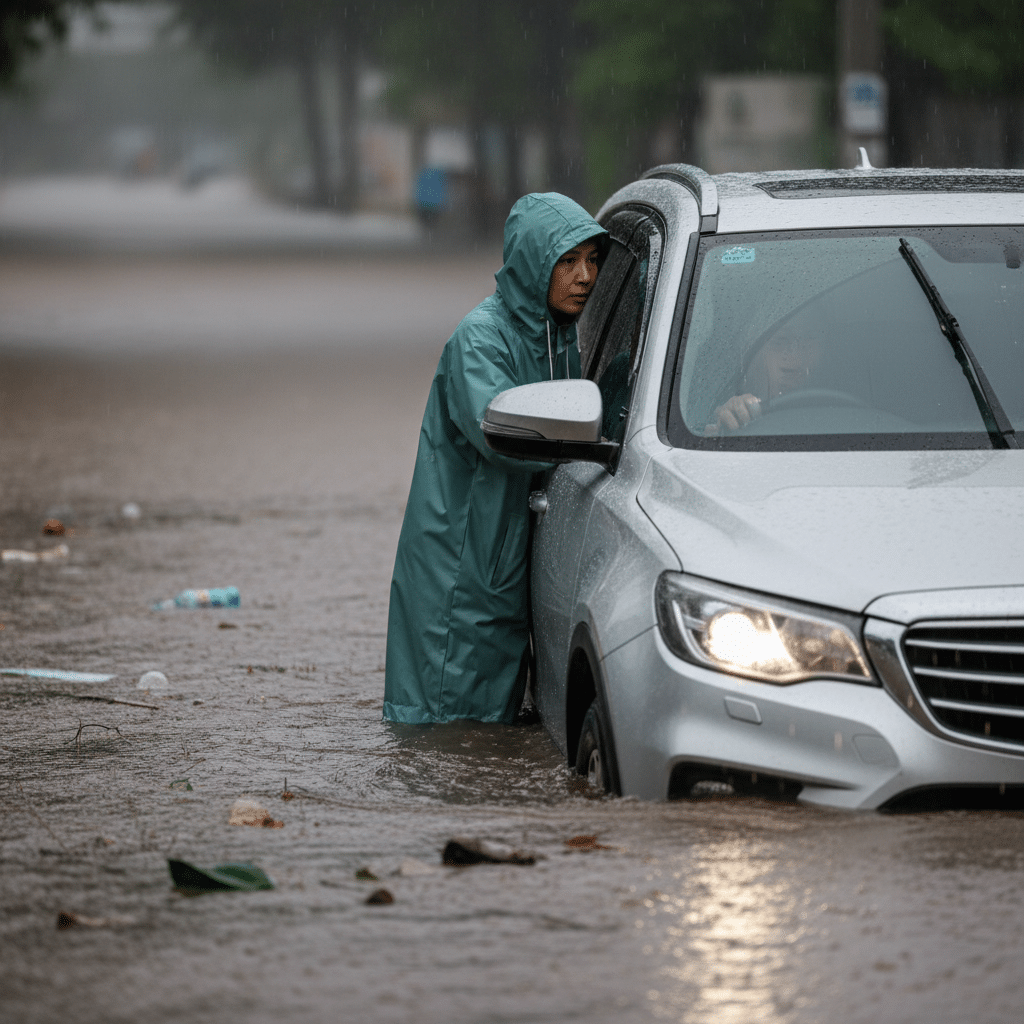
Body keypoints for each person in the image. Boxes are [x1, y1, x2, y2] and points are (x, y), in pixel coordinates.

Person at [383, 193, 607, 724]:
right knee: (445, 732)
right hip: (460, 574)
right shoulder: (480, 340)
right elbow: (502, 432)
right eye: (568, 261)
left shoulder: (560, 336)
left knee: (491, 730)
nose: (585, 277)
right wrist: (593, 442)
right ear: (534, 263)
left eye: (593, 261)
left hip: (504, 568)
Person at [706, 311, 824, 434]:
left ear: (826, 344)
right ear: (756, 353)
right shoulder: (728, 397)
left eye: (810, 339)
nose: (796, 359)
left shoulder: (844, 411)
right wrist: (729, 421)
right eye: (781, 340)